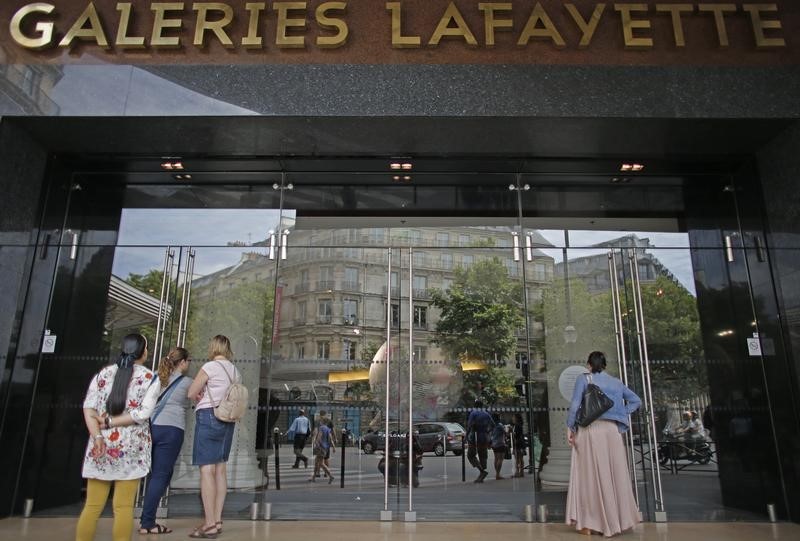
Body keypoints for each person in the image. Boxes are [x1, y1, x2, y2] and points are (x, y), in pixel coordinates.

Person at [76, 333, 160, 541]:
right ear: (143, 351)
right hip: (131, 449)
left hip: (101, 447)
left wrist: (98, 436)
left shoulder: (104, 374)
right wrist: (111, 422)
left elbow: (88, 409)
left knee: (92, 506)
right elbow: (141, 414)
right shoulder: (150, 378)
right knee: (123, 507)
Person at [566, 351, 642, 537]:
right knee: (615, 474)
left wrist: (570, 427)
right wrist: (619, 413)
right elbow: (636, 400)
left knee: (588, 477)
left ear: (589, 364)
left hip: (591, 429)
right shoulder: (616, 382)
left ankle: (590, 524)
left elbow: (576, 405)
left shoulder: (585, 379)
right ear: (605, 365)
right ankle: (616, 521)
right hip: (612, 432)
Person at [186, 335, 241, 539]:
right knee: (220, 469)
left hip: (209, 415)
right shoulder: (235, 371)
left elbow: (192, 392)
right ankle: (217, 520)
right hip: (228, 419)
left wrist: (200, 395)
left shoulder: (209, 367)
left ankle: (208, 525)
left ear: (213, 348)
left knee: (207, 470)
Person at [138, 347, 193, 535]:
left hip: (151, 427)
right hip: (172, 430)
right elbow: (196, 398)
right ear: (183, 362)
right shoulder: (187, 383)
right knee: (161, 475)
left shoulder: (154, 377)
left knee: (154, 474)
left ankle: (147, 519)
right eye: (188, 361)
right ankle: (148, 522)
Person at [466, 399, 495, 483]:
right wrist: (487, 431)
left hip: (474, 438)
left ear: (475, 406)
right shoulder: (486, 414)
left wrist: (466, 436)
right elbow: (493, 425)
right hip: (484, 437)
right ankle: (482, 473)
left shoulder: (473, 413)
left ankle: (482, 471)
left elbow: (469, 426)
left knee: (471, 455)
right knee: (483, 456)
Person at [308, 416, 335, 484]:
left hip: (320, 447)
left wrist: (316, 443)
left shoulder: (321, 428)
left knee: (321, 463)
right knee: (316, 462)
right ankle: (313, 477)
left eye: (321, 421)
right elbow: (330, 438)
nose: (320, 421)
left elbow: (319, 437)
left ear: (322, 422)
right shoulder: (328, 429)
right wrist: (333, 447)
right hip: (325, 447)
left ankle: (331, 476)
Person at [490, 414, 508, 480]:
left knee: (496, 459)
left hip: (494, 444)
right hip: (500, 443)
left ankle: (497, 473)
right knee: (500, 459)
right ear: (498, 418)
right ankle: (498, 474)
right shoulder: (500, 425)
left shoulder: (492, 425)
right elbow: (505, 433)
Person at [511, 413, 527, 478]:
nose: (512, 418)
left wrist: (511, 431)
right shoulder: (520, 425)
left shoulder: (517, 425)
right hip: (521, 443)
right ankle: (521, 472)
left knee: (517, 458)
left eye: (513, 417)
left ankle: (517, 472)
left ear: (516, 418)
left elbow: (516, 434)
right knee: (521, 458)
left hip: (518, 444)